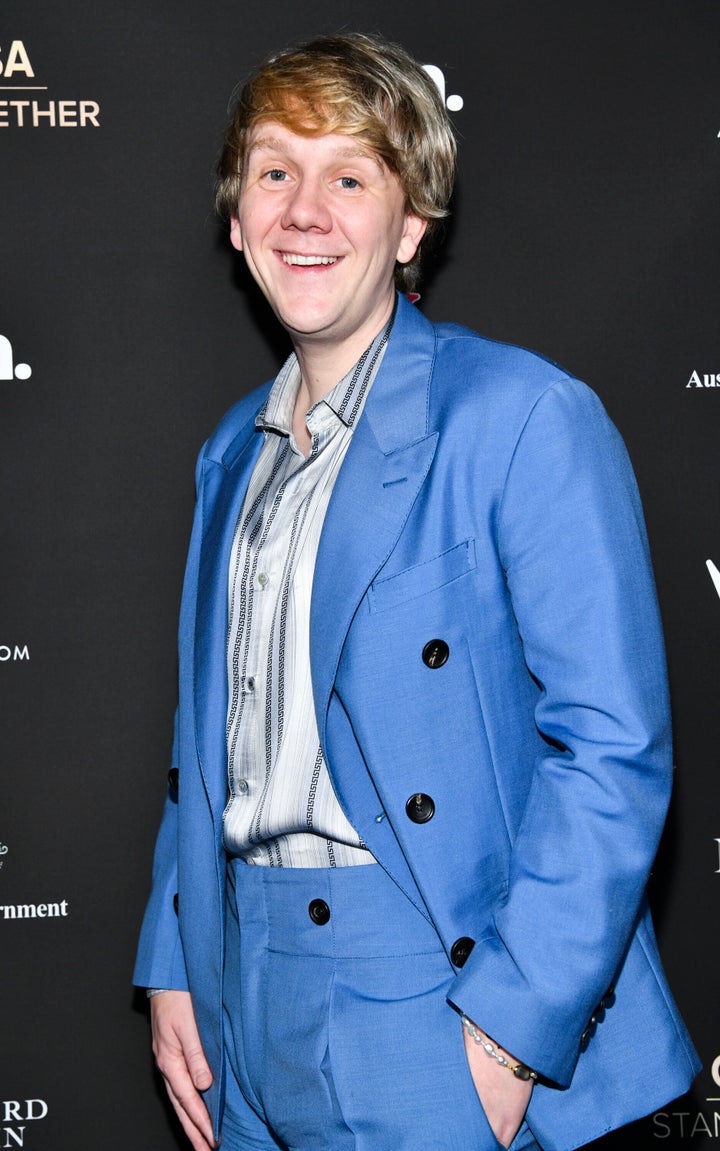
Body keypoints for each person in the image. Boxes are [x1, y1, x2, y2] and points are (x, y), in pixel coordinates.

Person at [134, 31, 699, 1151]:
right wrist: (173, 960)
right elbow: (206, 742)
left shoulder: (522, 418)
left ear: (410, 226)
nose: (304, 210)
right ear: (236, 217)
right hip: (242, 990)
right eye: (274, 171)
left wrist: (510, 1026)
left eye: (350, 175)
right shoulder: (227, 455)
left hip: (437, 987)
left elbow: (614, 745)